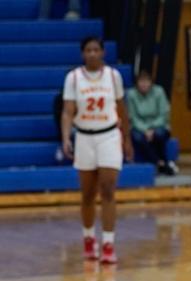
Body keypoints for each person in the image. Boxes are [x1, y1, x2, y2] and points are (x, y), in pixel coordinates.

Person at [60, 36, 134, 265]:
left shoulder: (113, 76)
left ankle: (109, 243)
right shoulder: (73, 78)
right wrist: (65, 137)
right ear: (83, 53)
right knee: (88, 194)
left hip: (109, 135)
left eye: (96, 49)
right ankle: (89, 238)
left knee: (109, 189)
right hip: (84, 136)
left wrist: (127, 139)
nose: (92, 53)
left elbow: (122, 109)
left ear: (102, 52)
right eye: (88, 50)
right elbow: (67, 111)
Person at [127, 69, 175, 175]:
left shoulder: (159, 91)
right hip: (139, 126)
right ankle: (161, 162)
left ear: (151, 83)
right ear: (137, 83)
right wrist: (145, 130)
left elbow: (163, 114)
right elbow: (133, 117)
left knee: (159, 134)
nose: (144, 84)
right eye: (141, 81)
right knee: (138, 138)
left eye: (146, 81)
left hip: (158, 125)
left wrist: (152, 129)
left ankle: (160, 163)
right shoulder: (131, 94)